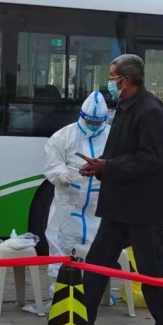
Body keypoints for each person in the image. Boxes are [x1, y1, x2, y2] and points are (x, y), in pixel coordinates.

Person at [79, 54, 163, 325]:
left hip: (142, 205)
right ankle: (82, 318)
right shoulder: (126, 107)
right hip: (120, 203)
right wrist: (100, 165)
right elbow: (123, 150)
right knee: (98, 261)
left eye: (112, 77)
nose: (109, 82)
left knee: (152, 267)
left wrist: (109, 166)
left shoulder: (150, 110)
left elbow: (152, 158)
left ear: (126, 80)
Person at [42, 91, 109, 279]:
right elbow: (53, 160)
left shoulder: (112, 136)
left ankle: (94, 288)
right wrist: (61, 174)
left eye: (97, 122)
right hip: (69, 202)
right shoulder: (64, 136)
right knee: (63, 245)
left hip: (97, 204)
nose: (93, 125)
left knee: (97, 248)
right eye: (90, 121)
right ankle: (59, 288)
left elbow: (120, 162)